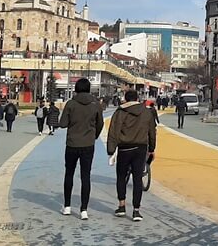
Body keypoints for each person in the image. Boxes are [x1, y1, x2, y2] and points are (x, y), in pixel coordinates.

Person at [107, 90, 156, 222]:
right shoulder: (147, 112)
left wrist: (111, 150)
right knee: (137, 179)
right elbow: (152, 131)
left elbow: (113, 131)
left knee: (121, 177)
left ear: (125, 99)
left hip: (124, 148)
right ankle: (136, 210)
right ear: (137, 98)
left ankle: (122, 206)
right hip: (140, 148)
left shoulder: (120, 112)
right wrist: (151, 148)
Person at [59, 78, 104, 220]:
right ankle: (84, 209)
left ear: (76, 89)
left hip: (72, 143)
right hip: (88, 144)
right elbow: (100, 124)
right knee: (86, 176)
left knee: (69, 174)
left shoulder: (71, 104)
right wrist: (93, 135)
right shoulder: (95, 104)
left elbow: (63, 124)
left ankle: (67, 206)